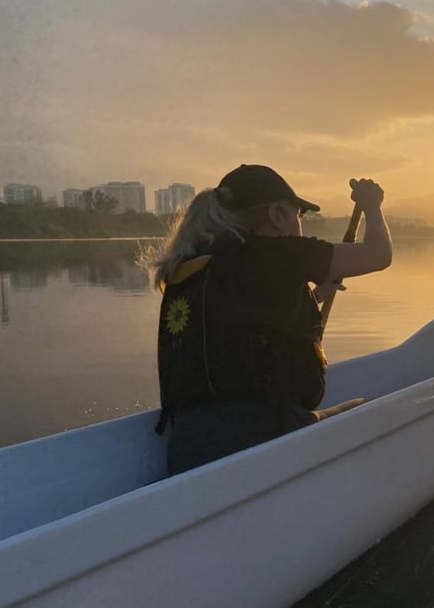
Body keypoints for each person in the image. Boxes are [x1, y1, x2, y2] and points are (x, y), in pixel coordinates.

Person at [142, 164, 392, 475]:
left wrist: (314, 298)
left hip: (185, 449)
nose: (299, 225)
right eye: (297, 215)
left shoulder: (191, 266)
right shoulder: (276, 254)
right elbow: (378, 254)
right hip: (260, 439)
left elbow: (241, 325)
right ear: (276, 214)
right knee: (373, 408)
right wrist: (372, 205)